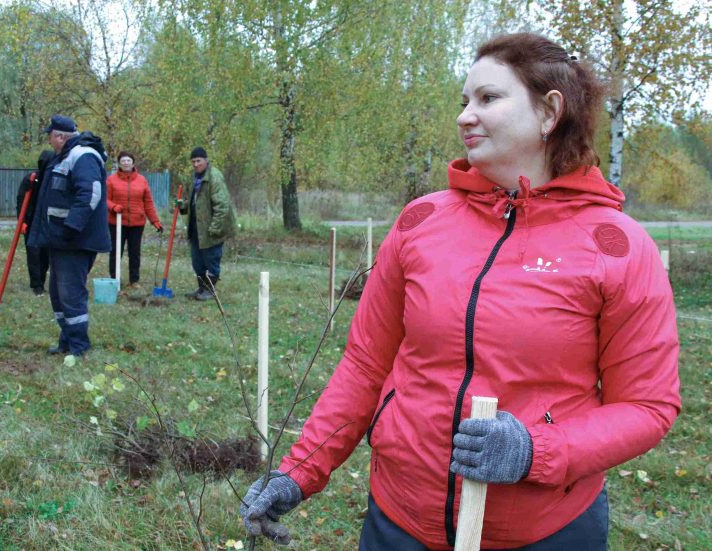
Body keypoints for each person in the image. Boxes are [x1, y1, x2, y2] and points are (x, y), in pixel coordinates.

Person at [239, 33, 680, 550]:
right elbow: (365, 364)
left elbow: (648, 406)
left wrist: (535, 451)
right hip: (399, 523)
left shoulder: (617, 247)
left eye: (488, 99)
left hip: (545, 531)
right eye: (464, 101)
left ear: (549, 111)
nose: (465, 116)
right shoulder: (420, 222)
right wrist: (299, 471)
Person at [28, 114, 111, 357]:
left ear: (60, 136)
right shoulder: (63, 156)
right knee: (58, 293)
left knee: (70, 293)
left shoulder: (83, 155)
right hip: (61, 239)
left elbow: (90, 193)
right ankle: (67, 339)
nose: (49, 141)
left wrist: (71, 227)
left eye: (50, 136)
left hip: (75, 240)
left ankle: (79, 346)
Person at [178, 147, 235, 301]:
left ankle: (210, 290)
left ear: (206, 160)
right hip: (196, 227)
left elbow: (222, 206)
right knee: (197, 261)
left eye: (198, 161)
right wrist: (182, 205)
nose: (196, 164)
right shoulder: (193, 178)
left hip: (212, 228)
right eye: (193, 162)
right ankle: (201, 288)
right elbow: (191, 201)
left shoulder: (214, 177)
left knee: (211, 259)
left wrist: (215, 228)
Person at [106, 151, 163, 288]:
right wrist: (114, 207)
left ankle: (134, 280)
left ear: (133, 163)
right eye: (123, 160)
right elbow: (105, 199)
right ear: (119, 163)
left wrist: (155, 221)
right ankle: (115, 279)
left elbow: (148, 203)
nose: (126, 163)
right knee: (115, 252)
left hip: (137, 223)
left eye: (128, 160)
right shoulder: (111, 180)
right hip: (117, 222)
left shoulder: (142, 180)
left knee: (135, 252)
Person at [16, 150, 54, 296]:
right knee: (33, 254)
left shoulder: (54, 180)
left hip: (48, 223)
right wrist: (22, 221)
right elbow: (21, 201)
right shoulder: (31, 179)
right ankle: (36, 285)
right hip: (31, 222)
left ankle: (42, 282)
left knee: (46, 255)